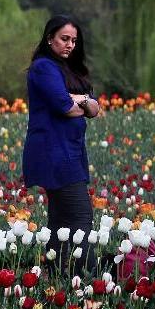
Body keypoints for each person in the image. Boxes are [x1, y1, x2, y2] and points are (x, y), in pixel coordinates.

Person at [22, 15, 101, 275]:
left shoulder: (71, 70)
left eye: (74, 41)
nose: (70, 45)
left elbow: (94, 109)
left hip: (71, 150)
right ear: (49, 39)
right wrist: (78, 101)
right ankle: (87, 278)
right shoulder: (43, 67)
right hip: (54, 152)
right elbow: (66, 108)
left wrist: (80, 100)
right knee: (80, 217)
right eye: (64, 39)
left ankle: (56, 276)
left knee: (60, 221)